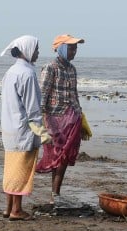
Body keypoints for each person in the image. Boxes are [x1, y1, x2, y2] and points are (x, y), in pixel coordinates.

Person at [0, 35, 51, 221]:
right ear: (27, 50)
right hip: (23, 130)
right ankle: (16, 210)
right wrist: (43, 133)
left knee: (11, 169)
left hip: (9, 128)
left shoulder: (11, 72)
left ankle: (8, 208)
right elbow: (33, 109)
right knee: (21, 171)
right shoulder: (27, 74)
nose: (38, 52)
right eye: (36, 49)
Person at [36, 34, 89, 208]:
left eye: (76, 48)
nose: (74, 51)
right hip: (55, 119)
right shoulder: (50, 68)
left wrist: (81, 118)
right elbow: (42, 96)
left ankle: (55, 194)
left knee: (64, 158)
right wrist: (43, 121)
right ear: (62, 48)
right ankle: (54, 194)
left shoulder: (72, 69)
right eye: (71, 48)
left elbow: (74, 95)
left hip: (71, 119)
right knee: (56, 157)